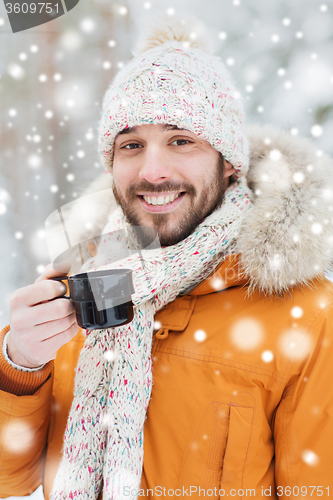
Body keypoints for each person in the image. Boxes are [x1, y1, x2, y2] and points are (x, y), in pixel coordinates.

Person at [1, 14, 333, 500]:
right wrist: (20, 364)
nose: (153, 171)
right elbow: (10, 479)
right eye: (131, 145)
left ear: (229, 162)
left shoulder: (308, 316)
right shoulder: (83, 284)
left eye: (182, 140)